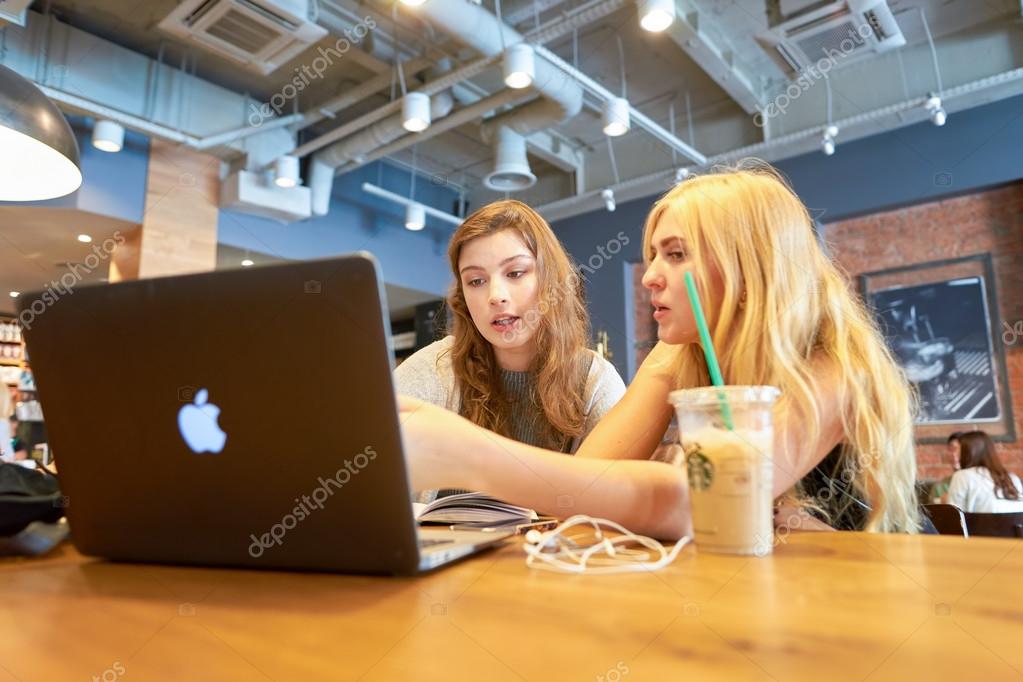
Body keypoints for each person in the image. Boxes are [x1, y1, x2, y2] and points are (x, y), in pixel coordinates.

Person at [398, 162, 921, 538]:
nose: (649, 276)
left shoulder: (835, 369)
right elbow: (583, 490)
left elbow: (698, 504)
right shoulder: (673, 358)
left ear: (751, 266)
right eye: (652, 256)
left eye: (675, 254)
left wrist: (471, 455)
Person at [394, 200, 627, 498]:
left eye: (515, 273)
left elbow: (613, 494)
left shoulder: (596, 381)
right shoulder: (437, 367)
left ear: (551, 279)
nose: (495, 296)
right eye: (476, 280)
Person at [944, 431, 1023, 513]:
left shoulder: (961, 476)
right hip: (1015, 526)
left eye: (960, 450)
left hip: (980, 525)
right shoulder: (1013, 478)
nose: (957, 454)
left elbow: (952, 517)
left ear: (968, 452)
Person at [929, 432, 964, 502]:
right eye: (951, 449)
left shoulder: (979, 483)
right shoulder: (939, 486)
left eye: (959, 449)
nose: (954, 454)